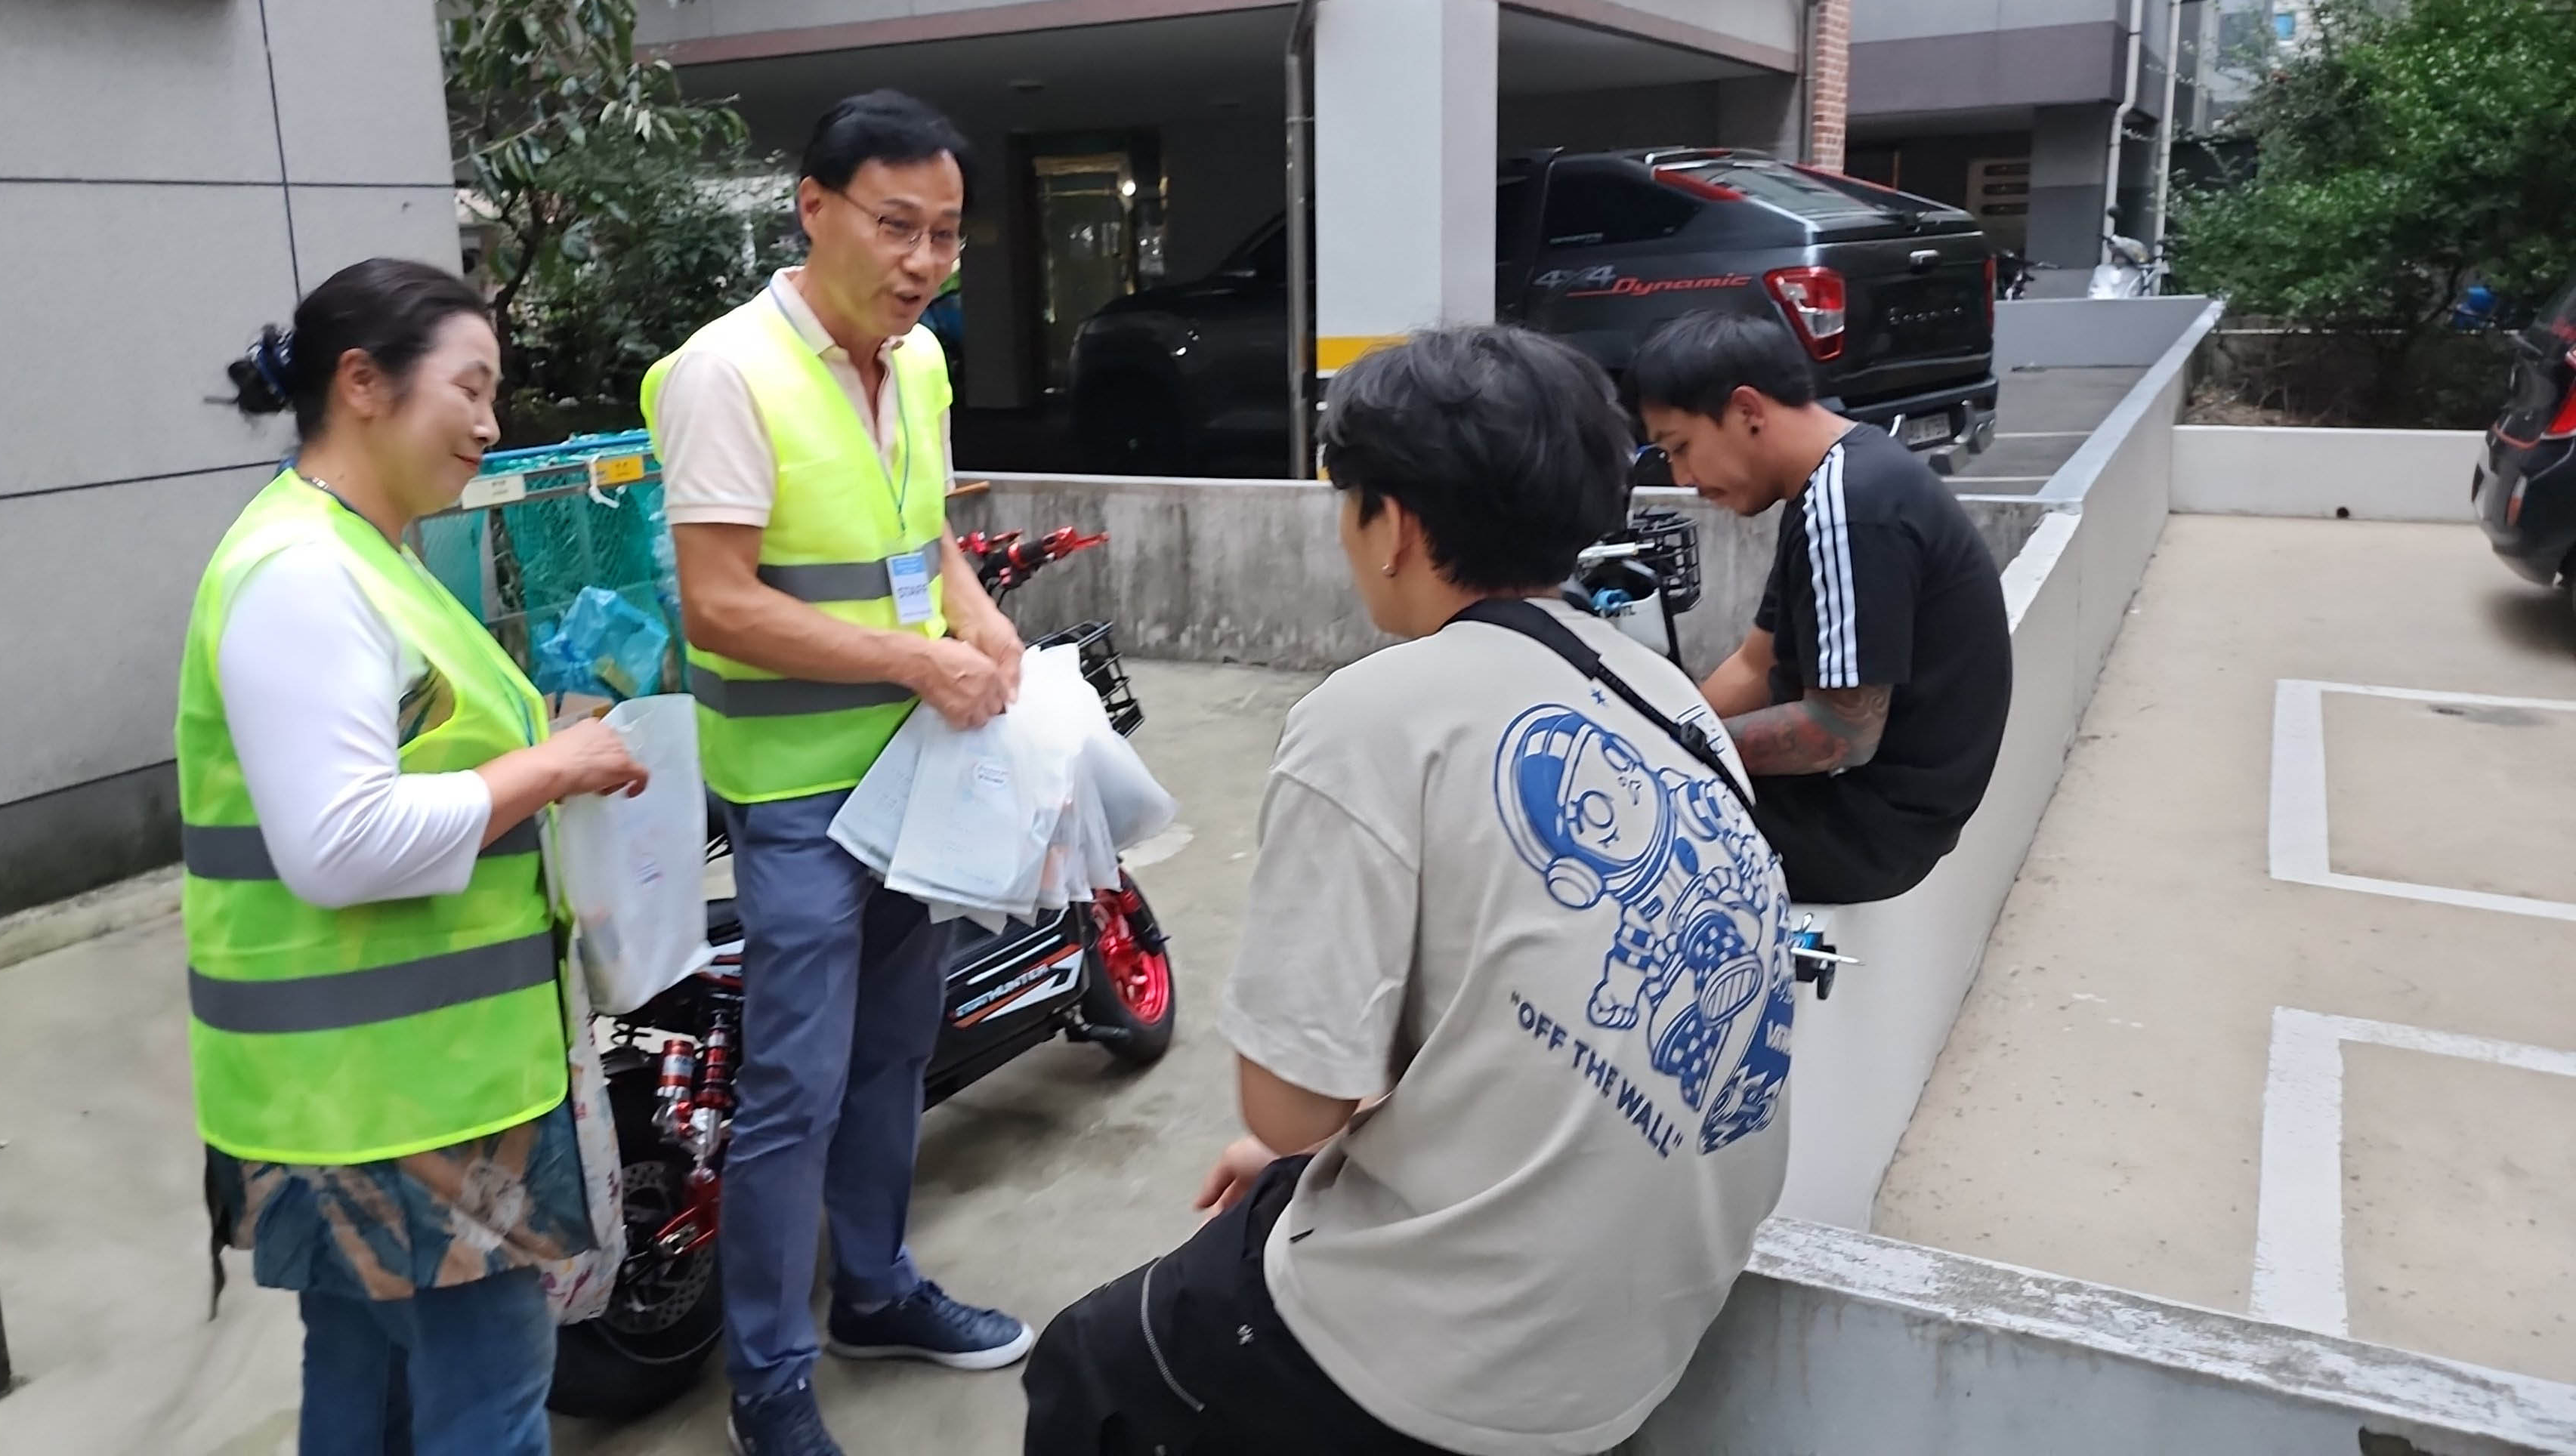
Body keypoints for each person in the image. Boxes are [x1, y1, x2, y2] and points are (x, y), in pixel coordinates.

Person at [1022, 326, 1799, 1456]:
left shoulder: (1372, 718)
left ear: (1393, 526)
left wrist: (1303, 1144)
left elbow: (1290, 1113)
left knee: (1091, 1365)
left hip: (1472, 1364)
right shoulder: (1669, 698)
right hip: (1648, 1329)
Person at [180, 258, 655, 1455]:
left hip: (373, 1092)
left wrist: (535, 753)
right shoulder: (305, 574)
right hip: (405, 1104)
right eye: (471, 388)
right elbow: (338, 845)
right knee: (487, 1395)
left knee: (367, 1383)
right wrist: (550, 769)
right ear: (362, 383)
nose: (492, 423)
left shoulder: (358, 555)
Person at [639, 90, 1033, 1456]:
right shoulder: (723, 374)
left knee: (893, 1056)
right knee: (796, 1089)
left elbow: (923, 541)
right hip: (798, 795)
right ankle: (767, 1381)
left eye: (947, 234)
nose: (924, 261)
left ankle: (873, 1290)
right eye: (896, 226)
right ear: (814, 209)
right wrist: (917, 662)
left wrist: (976, 617)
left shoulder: (917, 367)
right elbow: (719, 604)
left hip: (916, 778)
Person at [1629, 310, 2014, 906]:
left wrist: (1677, 756)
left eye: (1680, 447)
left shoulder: (1850, 508)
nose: (1683, 478)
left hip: (1866, 833)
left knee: (1610, 838)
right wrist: (1657, 731)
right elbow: (1755, 664)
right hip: (1868, 813)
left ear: (1748, 411)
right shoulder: (1839, 479)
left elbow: (1842, 732)